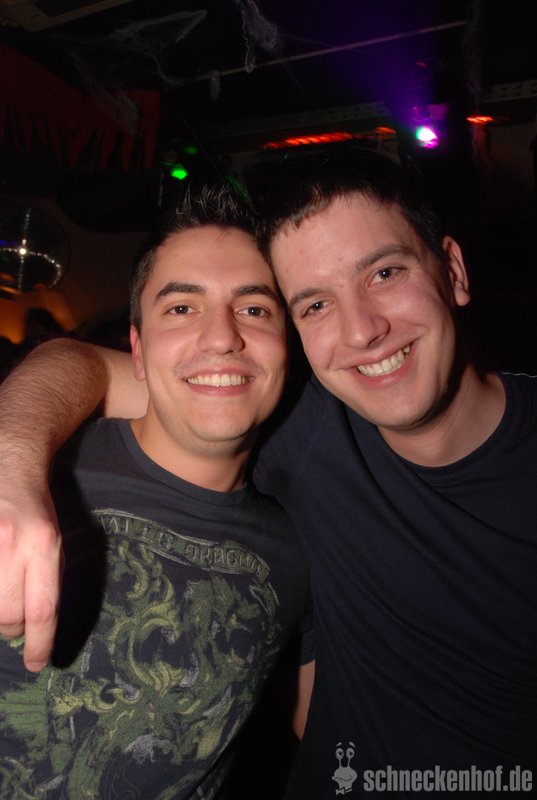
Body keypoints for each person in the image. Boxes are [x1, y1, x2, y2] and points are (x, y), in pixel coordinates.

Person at [1, 146, 536, 797]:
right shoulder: (293, 422)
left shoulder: (292, 461)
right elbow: (80, 362)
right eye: (314, 304)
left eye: (385, 272)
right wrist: (12, 471)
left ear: (452, 270)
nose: (362, 330)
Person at [0, 183, 310, 799]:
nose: (221, 337)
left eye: (254, 309)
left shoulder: (302, 554)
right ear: (138, 351)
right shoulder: (38, 464)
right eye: (182, 307)